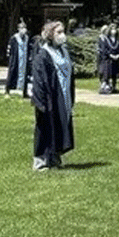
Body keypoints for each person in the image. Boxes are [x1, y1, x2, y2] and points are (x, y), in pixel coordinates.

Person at [31, 21, 74, 171]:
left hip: (62, 94)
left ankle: (54, 156)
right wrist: (41, 101)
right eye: (59, 32)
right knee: (45, 127)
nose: (62, 35)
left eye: (63, 31)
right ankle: (40, 160)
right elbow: (39, 80)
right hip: (49, 96)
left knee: (60, 125)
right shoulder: (43, 54)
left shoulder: (64, 51)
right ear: (50, 35)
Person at [6, 21, 31, 98]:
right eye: (22, 28)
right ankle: (7, 91)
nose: (24, 29)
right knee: (12, 73)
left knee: (25, 75)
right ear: (18, 29)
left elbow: (29, 49)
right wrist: (10, 58)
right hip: (15, 59)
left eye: (25, 28)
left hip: (24, 59)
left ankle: (24, 92)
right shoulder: (14, 38)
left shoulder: (27, 38)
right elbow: (9, 49)